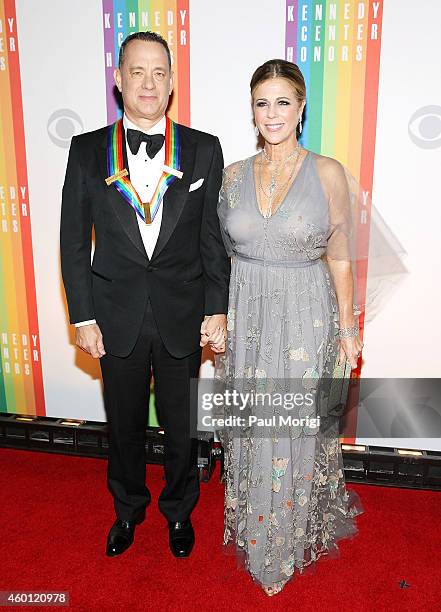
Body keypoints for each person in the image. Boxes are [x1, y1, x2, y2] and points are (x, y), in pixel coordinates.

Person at [60, 31, 229, 559]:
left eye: (160, 72)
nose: (149, 83)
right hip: (115, 316)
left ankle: (179, 512)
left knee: (182, 429)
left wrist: (218, 308)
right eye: (137, 71)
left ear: (173, 82)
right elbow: (71, 239)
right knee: (125, 426)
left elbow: (213, 240)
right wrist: (82, 316)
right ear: (118, 79)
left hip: (182, 313)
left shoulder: (203, 149)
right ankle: (127, 510)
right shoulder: (88, 150)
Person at [213, 59, 364, 596]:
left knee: (296, 427)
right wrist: (219, 317)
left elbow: (341, 256)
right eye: (261, 103)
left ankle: (290, 532)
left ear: (301, 109)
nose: (271, 113)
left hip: (306, 315)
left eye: (283, 102)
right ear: (251, 111)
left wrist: (348, 330)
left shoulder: (326, 172)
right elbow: (219, 258)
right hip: (248, 312)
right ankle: (258, 533)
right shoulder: (231, 175)